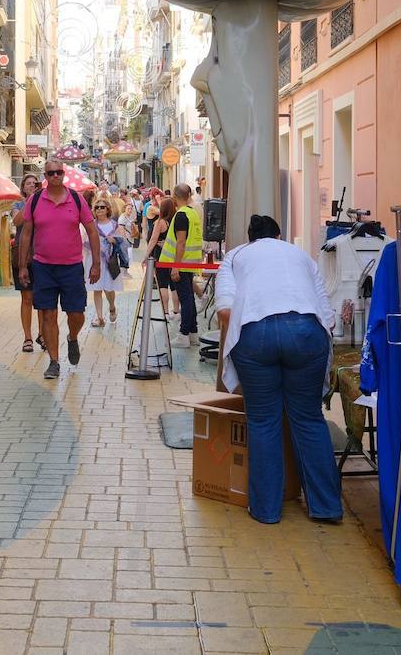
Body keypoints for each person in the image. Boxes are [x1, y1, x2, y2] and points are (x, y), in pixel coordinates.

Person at [215, 214, 342, 525]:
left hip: (255, 334)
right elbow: (330, 318)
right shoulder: (300, 256)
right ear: (279, 235)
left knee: (263, 421)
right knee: (309, 418)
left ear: (250, 237)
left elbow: (225, 313)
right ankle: (326, 506)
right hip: (308, 333)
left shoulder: (235, 256)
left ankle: (266, 510)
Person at [18, 158, 100, 379]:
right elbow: (26, 234)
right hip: (43, 266)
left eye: (58, 173)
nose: (55, 176)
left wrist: (96, 264)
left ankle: (72, 337)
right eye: (50, 173)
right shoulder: (35, 200)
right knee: (47, 314)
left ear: (63, 174)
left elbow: (92, 230)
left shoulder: (76, 198)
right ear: (45, 177)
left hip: (72, 266)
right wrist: (22, 265)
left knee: (77, 313)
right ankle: (54, 361)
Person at [163, 183, 205, 349]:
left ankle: (184, 335)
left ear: (174, 196)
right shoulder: (192, 213)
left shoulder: (181, 215)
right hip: (190, 262)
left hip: (181, 263)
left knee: (185, 299)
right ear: (189, 196)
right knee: (189, 299)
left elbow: (181, 241)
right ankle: (193, 333)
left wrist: (175, 266)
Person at [11, 174, 44, 354]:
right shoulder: (17, 204)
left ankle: (43, 334)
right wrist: (30, 202)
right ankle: (27, 337)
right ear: (23, 188)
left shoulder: (44, 203)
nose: (32, 186)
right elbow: (17, 221)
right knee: (27, 298)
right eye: (28, 184)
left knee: (41, 298)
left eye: (34, 184)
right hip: (22, 255)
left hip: (41, 254)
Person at [87, 197, 129, 327]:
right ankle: (100, 318)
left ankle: (111, 306)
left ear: (107, 209)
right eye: (97, 207)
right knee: (97, 288)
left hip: (110, 261)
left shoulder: (114, 225)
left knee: (109, 289)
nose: (99, 209)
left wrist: (115, 240)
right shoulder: (91, 225)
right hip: (95, 260)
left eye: (102, 207)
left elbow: (123, 243)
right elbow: (84, 240)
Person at [143, 197, 180, 319]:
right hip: (174, 255)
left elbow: (153, 239)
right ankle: (176, 311)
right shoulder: (176, 221)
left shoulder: (160, 222)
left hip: (161, 256)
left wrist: (146, 255)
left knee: (163, 284)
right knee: (174, 285)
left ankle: (166, 312)